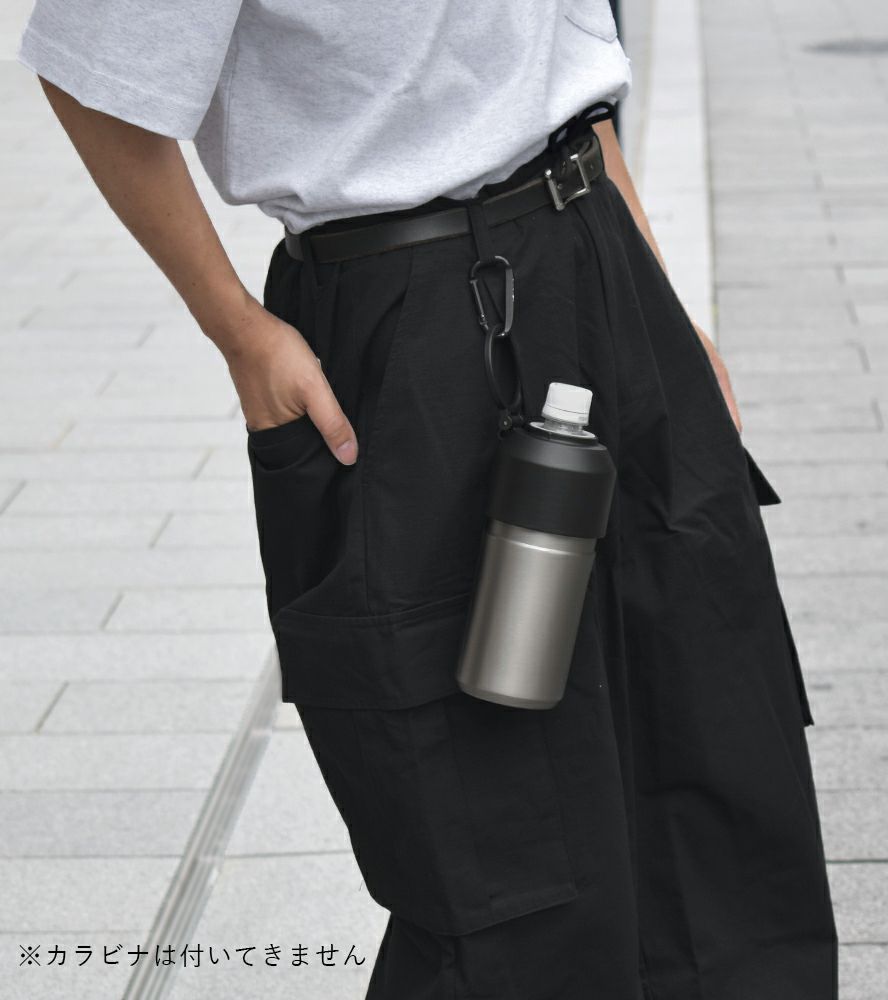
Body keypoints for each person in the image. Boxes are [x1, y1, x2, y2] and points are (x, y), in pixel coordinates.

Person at [17, 2, 839, 997]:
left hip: (596, 260)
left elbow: (572, 71)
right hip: (409, 319)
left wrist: (660, 291)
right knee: (503, 852)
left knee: (717, 755)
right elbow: (92, 70)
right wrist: (238, 331)